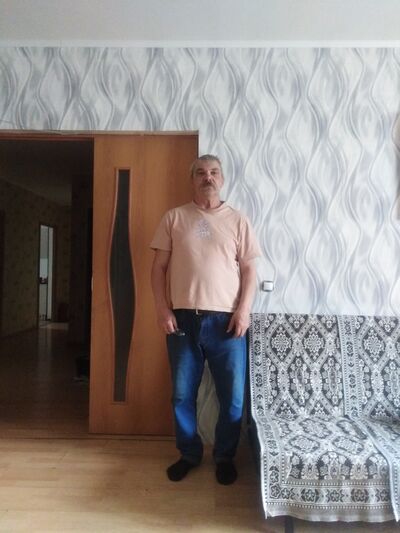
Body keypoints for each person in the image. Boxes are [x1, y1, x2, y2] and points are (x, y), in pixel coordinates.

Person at [150, 154, 261, 485]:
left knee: (233, 399)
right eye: (200, 172)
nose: (207, 177)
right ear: (192, 179)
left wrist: (244, 310)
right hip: (182, 321)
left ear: (222, 180)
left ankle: (224, 456)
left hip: (228, 323)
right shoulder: (174, 218)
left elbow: (250, 270)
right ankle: (189, 453)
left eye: (213, 172)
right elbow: (158, 269)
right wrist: (162, 309)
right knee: (182, 395)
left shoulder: (238, 220)